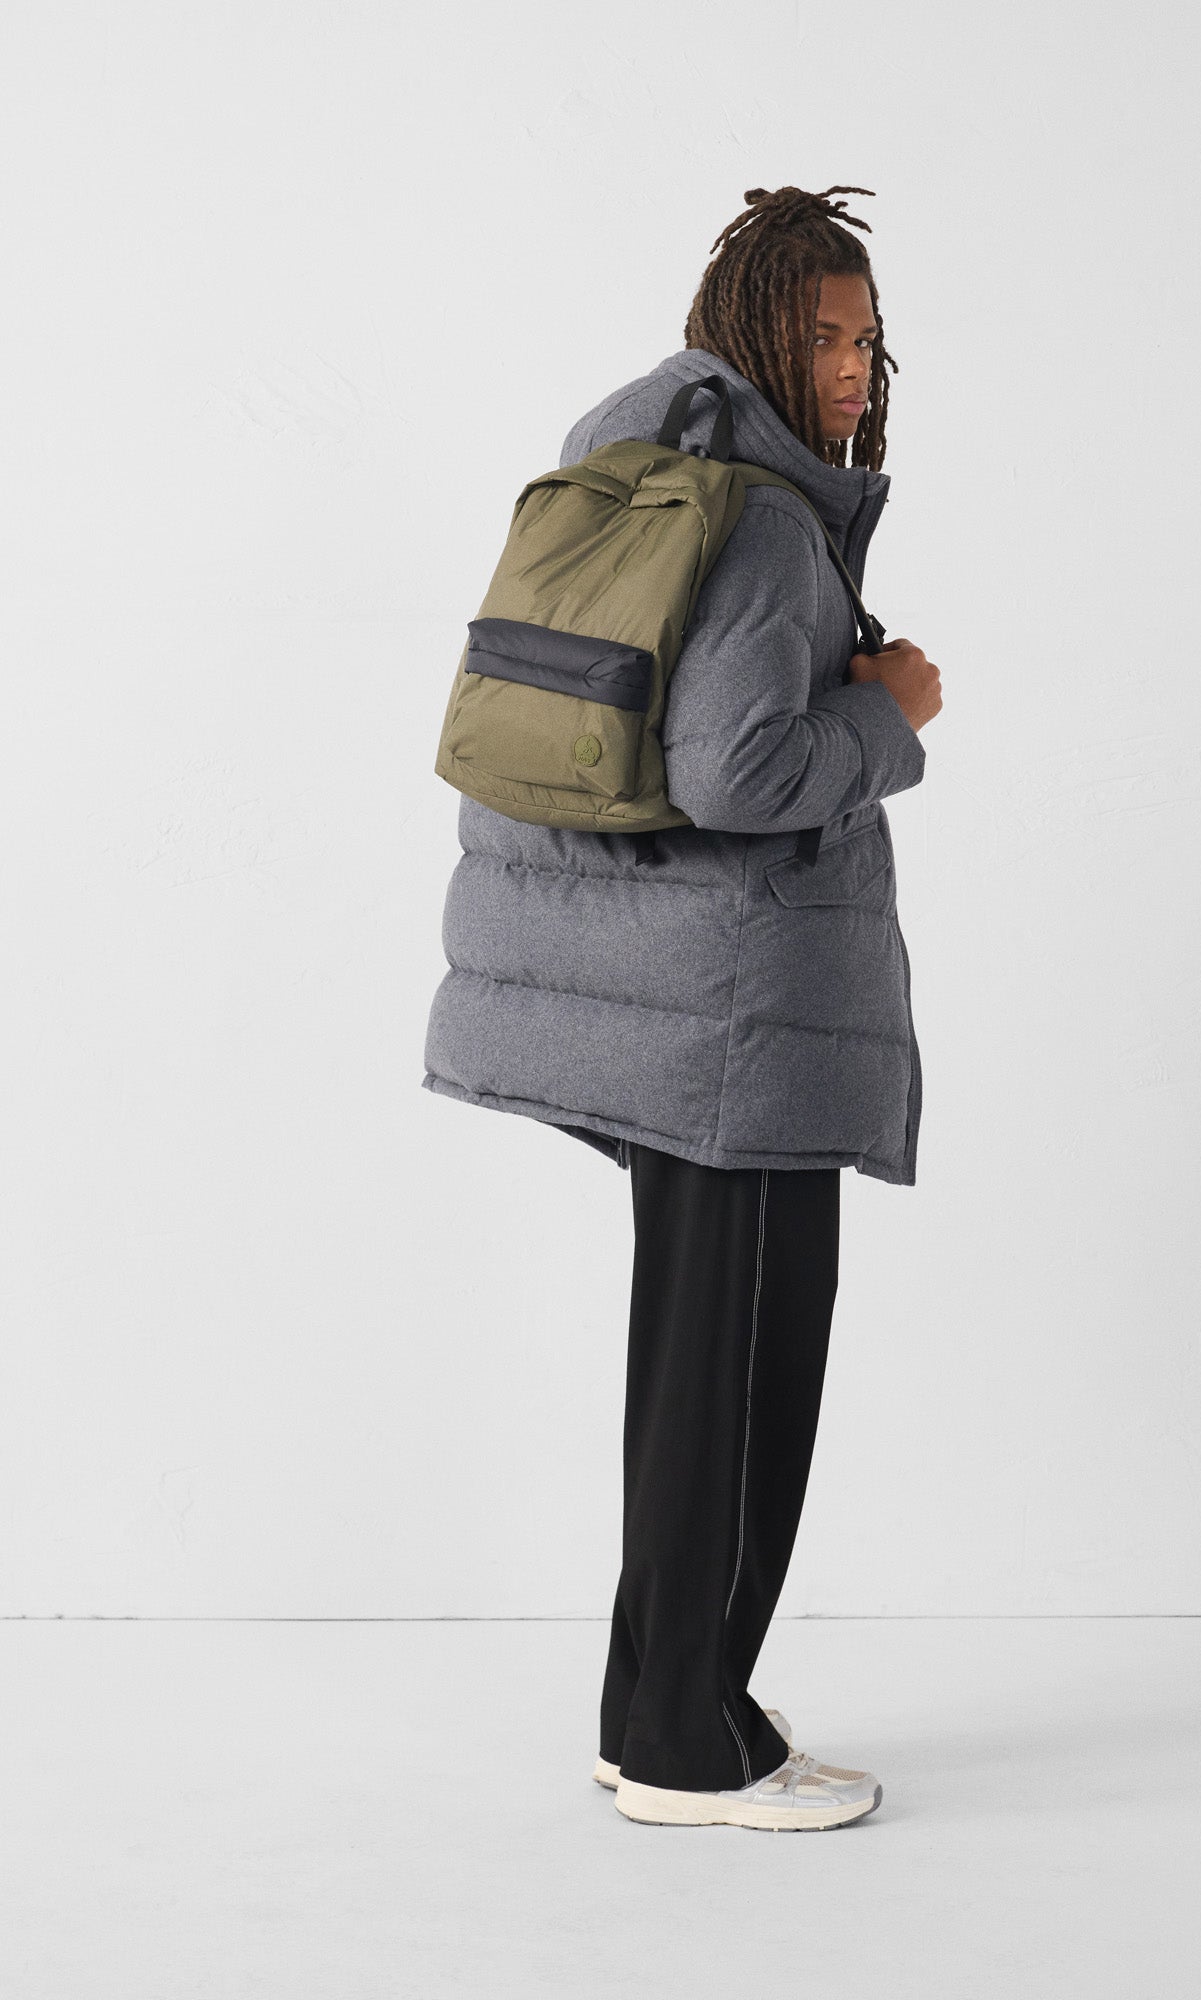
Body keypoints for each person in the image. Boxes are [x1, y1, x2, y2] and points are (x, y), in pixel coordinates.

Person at [422, 185, 942, 1831]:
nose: (851, 368)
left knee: (690, 1363)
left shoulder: (636, 461)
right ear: (753, 332)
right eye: (823, 334)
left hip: (652, 998)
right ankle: (688, 1751)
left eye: (866, 339)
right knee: (743, 1375)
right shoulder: (766, 525)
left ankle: (658, 1702)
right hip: (736, 1018)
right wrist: (892, 713)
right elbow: (738, 772)